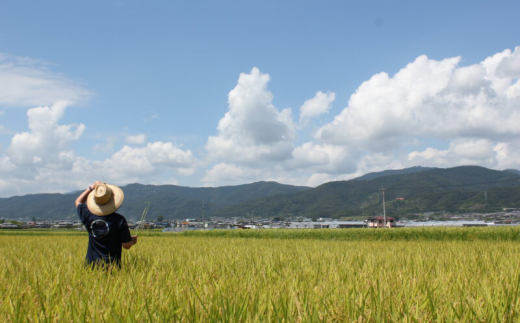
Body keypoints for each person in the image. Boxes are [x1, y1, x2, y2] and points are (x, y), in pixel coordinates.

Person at [75, 181, 137, 268]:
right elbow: (126, 245)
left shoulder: (88, 215)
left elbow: (78, 201)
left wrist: (91, 187)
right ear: (113, 199)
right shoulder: (119, 220)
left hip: (90, 267)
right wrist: (132, 240)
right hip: (112, 267)